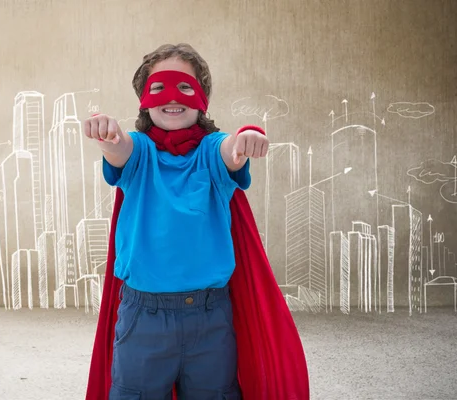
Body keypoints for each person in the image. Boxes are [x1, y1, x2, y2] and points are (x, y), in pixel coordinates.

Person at [85, 43, 309, 400]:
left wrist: (246, 136)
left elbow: (230, 151)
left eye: (185, 87)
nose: (172, 97)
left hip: (209, 317)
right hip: (143, 316)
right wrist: (108, 136)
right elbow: (120, 148)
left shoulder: (210, 151)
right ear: (144, 98)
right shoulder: (140, 152)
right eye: (158, 87)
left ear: (202, 98)